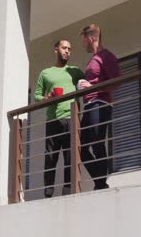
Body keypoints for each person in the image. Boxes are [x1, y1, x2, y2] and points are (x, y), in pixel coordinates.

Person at [34, 39, 85, 197]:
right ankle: (48, 192)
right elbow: (36, 95)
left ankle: (68, 190)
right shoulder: (46, 73)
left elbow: (85, 84)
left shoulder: (75, 71)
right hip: (53, 120)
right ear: (56, 49)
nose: (67, 51)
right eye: (64, 48)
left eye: (69, 49)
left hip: (72, 118)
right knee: (50, 157)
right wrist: (46, 98)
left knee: (70, 156)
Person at [78, 24, 121, 190]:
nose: (84, 46)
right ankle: (100, 181)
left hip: (100, 104)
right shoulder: (93, 59)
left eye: (84, 42)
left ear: (90, 39)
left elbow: (116, 81)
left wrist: (94, 88)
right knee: (80, 147)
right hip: (89, 105)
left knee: (97, 143)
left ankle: (101, 184)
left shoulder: (106, 56)